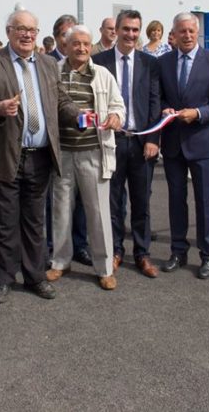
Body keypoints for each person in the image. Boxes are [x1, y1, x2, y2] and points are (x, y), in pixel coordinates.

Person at [0, 9, 80, 304]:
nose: (27, 34)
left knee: (34, 221)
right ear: (8, 31)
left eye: (32, 29)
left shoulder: (47, 64)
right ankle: (4, 277)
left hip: (40, 156)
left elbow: (61, 100)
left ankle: (35, 277)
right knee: (4, 221)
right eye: (21, 29)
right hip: (4, 154)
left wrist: (81, 117)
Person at [46, 24, 124, 290]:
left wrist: (115, 117)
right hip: (62, 153)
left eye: (85, 44)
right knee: (61, 211)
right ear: (65, 45)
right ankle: (60, 262)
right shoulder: (52, 72)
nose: (81, 48)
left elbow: (117, 105)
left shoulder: (103, 74)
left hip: (94, 151)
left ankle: (103, 268)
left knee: (99, 213)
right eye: (75, 43)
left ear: (91, 46)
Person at [157, 12, 209, 279]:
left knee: (205, 201)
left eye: (191, 31)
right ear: (173, 35)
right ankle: (178, 251)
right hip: (173, 144)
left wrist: (198, 113)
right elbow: (159, 96)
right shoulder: (163, 62)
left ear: (198, 33)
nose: (187, 36)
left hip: (201, 142)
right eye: (182, 31)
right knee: (176, 200)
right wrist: (164, 108)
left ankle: (208, 254)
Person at [94, 9, 162, 278]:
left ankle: (142, 254)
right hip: (111, 142)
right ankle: (115, 251)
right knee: (112, 202)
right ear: (116, 30)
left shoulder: (150, 63)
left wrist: (153, 138)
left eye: (135, 30)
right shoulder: (99, 62)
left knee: (142, 201)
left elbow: (155, 103)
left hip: (141, 142)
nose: (130, 34)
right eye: (126, 29)